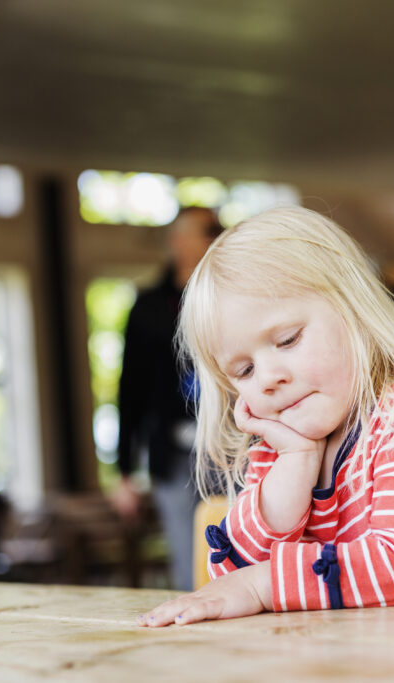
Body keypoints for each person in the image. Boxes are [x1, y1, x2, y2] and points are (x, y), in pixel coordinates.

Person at [138, 207, 394, 627]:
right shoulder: (280, 447)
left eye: (287, 340)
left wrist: (261, 585)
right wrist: (298, 461)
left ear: (354, 311)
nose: (268, 378)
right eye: (243, 371)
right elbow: (233, 571)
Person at [111, 206, 223, 591]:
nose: (214, 236)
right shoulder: (149, 306)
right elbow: (131, 389)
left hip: (231, 446)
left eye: (217, 229)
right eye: (206, 230)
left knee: (238, 550)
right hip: (173, 452)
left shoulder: (231, 295)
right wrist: (123, 471)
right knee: (187, 560)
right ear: (179, 241)